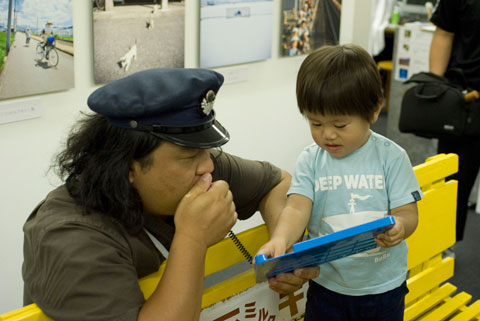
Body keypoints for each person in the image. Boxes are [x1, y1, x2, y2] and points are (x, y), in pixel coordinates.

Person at [22, 68, 319, 321]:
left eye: (206, 149)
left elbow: (278, 183)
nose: (207, 165)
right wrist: (192, 238)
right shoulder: (69, 239)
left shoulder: (200, 168)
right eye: (189, 155)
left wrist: (285, 254)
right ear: (127, 166)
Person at [256, 44, 422, 321]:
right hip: (327, 287)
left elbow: (408, 213)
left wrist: (401, 227)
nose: (327, 135)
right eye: (316, 124)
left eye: (340, 125)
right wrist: (281, 238)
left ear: (373, 111)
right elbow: (296, 208)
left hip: (384, 289)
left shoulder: (391, 157)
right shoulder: (311, 160)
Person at [429, 0, 480, 242]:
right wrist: (436, 90)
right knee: (453, 181)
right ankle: (444, 243)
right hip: (464, 98)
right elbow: (444, 32)